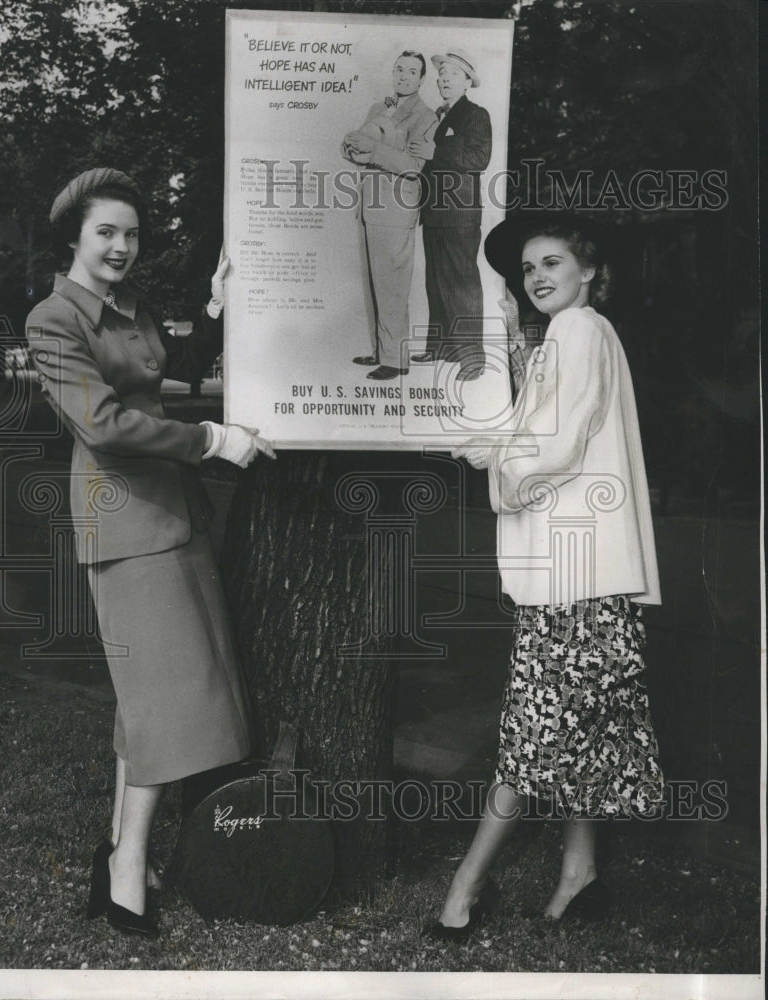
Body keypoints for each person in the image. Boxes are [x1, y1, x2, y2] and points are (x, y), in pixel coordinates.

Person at [26, 167, 275, 940]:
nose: (121, 247)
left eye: (131, 234)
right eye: (106, 232)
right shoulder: (53, 318)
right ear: (74, 237)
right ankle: (128, 866)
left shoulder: (130, 308)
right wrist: (210, 439)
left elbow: (164, 382)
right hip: (124, 523)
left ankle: (116, 857)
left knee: (151, 699)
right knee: (169, 700)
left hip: (176, 515)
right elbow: (102, 425)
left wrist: (216, 310)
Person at [426, 216, 664, 941]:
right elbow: (551, 419)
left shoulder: (579, 332)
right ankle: (579, 871)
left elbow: (556, 443)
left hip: (575, 575)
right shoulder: (576, 334)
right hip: (581, 574)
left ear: (587, 270)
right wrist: (497, 433)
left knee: (533, 735)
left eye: (550, 262)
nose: (534, 276)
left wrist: (502, 468)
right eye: (526, 267)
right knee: (573, 728)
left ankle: (464, 888)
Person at [341, 51, 437, 381]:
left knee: (392, 285)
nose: (404, 76)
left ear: (422, 78)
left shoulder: (426, 117)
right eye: (399, 69)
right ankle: (380, 350)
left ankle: (396, 361)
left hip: (397, 210)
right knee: (372, 285)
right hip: (369, 205)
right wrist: (350, 145)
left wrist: (373, 151)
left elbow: (413, 166)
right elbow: (356, 149)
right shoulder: (379, 108)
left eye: (412, 71)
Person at [408, 49, 492, 381]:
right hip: (436, 212)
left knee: (462, 282)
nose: (444, 78)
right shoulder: (440, 115)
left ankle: (472, 359)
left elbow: (480, 158)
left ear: (468, 80)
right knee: (437, 280)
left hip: (460, 213)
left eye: (452, 74)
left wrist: (435, 152)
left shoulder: (476, 114)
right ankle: (441, 346)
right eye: (441, 74)